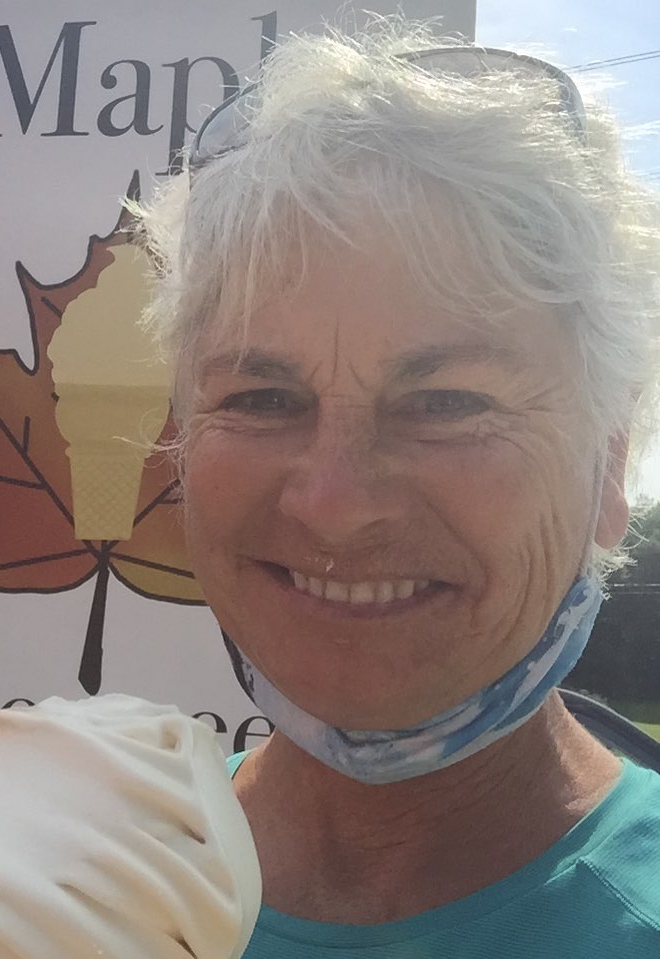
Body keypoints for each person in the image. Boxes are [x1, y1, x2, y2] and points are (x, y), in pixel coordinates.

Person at [136, 23, 660, 958]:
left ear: (608, 457)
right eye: (261, 397)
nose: (335, 505)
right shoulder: (82, 893)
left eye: (447, 402)